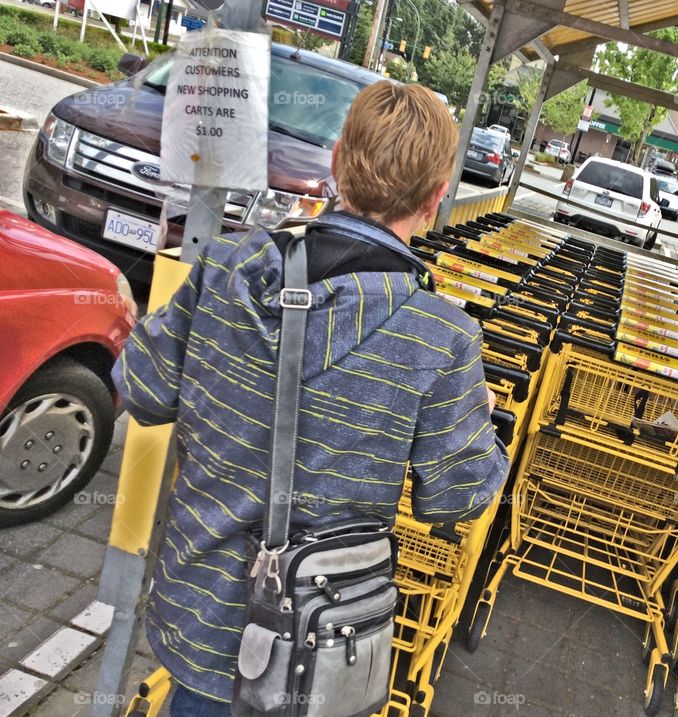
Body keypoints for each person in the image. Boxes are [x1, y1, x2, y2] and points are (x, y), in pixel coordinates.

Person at [113, 81, 510, 715]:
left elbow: (140, 390)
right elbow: (454, 500)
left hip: (200, 623)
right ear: (437, 199)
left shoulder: (226, 266)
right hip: (323, 647)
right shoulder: (441, 338)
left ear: (335, 161)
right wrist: (481, 425)